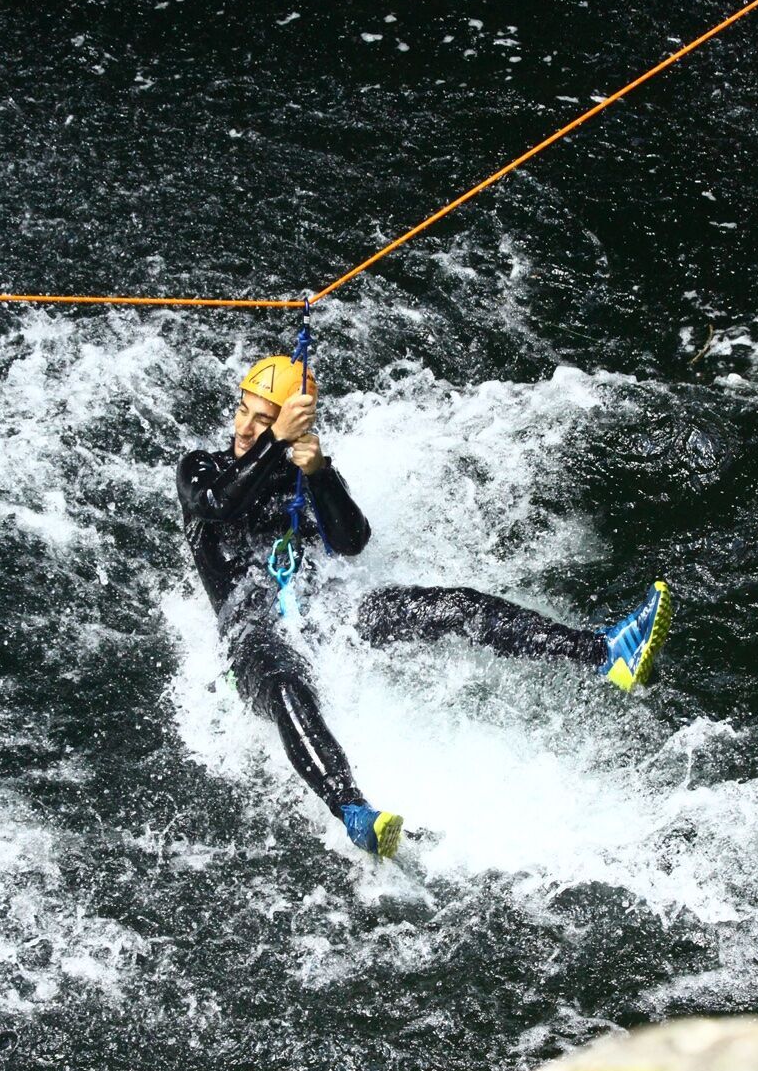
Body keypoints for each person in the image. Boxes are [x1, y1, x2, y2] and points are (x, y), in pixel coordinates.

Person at [177, 355, 672, 860]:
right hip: (252, 634)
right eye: (245, 411)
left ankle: (606, 654)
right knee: (286, 686)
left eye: (264, 419)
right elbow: (220, 504)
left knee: (455, 606)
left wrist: (320, 472)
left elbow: (351, 543)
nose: (246, 426)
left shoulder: (302, 471)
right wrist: (275, 440)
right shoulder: (201, 468)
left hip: (324, 615)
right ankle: (354, 812)